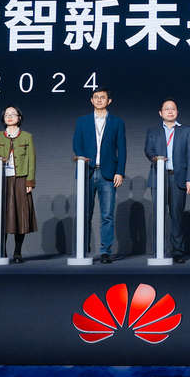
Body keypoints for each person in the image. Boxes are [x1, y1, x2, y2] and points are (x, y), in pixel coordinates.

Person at [72, 88, 126, 262]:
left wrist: (120, 172)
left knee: (107, 215)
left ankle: (105, 252)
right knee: (84, 213)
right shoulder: (82, 121)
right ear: (91, 100)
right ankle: (83, 249)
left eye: (103, 97)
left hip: (107, 174)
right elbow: (77, 144)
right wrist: (83, 159)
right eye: (96, 97)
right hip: (86, 172)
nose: (99, 100)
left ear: (109, 101)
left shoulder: (117, 122)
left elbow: (122, 149)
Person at [144, 99, 190, 261]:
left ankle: (178, 252)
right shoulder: (153, 131)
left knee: (177, 216)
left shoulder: (186, 131)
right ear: (161, 113)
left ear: (177, 112)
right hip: (158, 177)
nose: (170, 111)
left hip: (177, 178)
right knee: (159, 215)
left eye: (173, 109)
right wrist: (155, 158)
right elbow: (148, 150)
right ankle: (159, 251)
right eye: (166, 109)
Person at [0, 105, 37, 262]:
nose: (9, 116)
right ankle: (1, 250)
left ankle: (17, 252)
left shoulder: (27, 136)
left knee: (20, 215)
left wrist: (30, 181)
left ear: (19, 118)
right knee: (2, 215)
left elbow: (31, 160)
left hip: (21, 179)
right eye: (6, 114)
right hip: (2, 180)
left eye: (13, 114)